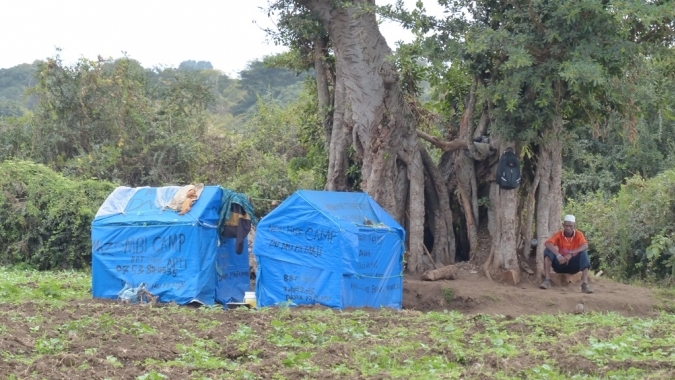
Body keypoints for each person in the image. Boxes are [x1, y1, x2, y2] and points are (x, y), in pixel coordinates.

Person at [539, 214, 594, 293]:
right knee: (548, 250)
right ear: (563, 225)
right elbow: (547, 243)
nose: (568, 228)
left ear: (574, 226)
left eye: (570, 226)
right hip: (560, 264)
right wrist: (558, 255)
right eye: (566, 225)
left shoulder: (578, 235)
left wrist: (571, 254)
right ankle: (547, 280)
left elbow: (585, 245)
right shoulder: (559, 235)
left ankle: (585, 284)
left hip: (573, 266)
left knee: (584, 253)